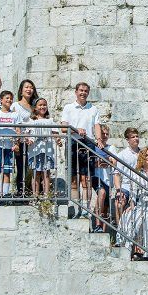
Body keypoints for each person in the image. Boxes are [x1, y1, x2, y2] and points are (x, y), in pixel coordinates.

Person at [60, 82, 101, 218]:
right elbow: (64, 128)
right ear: (76, 92)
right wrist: (77, 130)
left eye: (86, 91)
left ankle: (85, 209)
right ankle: (75, 208)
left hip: (88, 143)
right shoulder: (68, 108)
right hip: (73, 141)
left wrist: (99, 140)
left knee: (87, 179)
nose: (83, 93)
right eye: (81, 90)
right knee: (73, 178)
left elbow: (96, 126)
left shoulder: (93, 109)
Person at [0, 90, 22, 198]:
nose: (9, 100)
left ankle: (6, 193)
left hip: (9, 146)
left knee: (7, 171)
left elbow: (18, 131)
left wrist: (17, 144)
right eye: (7, 98)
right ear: (1, 100)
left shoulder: (15, 114)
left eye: (11, 98)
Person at [13, 79, 39, 197]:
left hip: (33, 142)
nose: (29, 89)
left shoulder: (35, 106)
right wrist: (18, 140)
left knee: (33, 168)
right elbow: (13, 123)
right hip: (21, 141)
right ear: (21, 91)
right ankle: (21, 191)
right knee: (21, 167)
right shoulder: (15, 105)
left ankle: (33, 192)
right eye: (26, 87)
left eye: (31, 87)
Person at [25, 97, 55, 198]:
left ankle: (46, 195)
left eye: (44, 105)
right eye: (40, 105)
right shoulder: (31, 121)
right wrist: (28, 139)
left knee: (46, 173)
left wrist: (58, 139)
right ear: (35, 108)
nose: (42, 107)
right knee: (36, 173)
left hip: (47, 150)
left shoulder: (50, 120)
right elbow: (27, 133)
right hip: (35, 150)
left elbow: (55, 132)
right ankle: (35, 195)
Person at [112, 127, 142, 227]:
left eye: (137, 136)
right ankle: (121, 231)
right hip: (126, 185)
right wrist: (118, 190)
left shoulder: (143, 154)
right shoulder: (122, 155)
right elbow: (116, 174)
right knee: (119, 203)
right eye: (133, 137)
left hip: (141, 186)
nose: (136, 138)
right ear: (127, 140)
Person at [89, 124, 116, 232]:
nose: (104, 135)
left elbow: (114, 162)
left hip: (108, 178)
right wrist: (106, 160)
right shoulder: (93, 146)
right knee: (102, 193)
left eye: (106, 134)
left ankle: (103, 231)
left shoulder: (111, 147)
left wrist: (105, 161)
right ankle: (98, 224)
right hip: (96, 176)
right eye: (102, 133)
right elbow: (91, 162)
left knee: (105, 205)